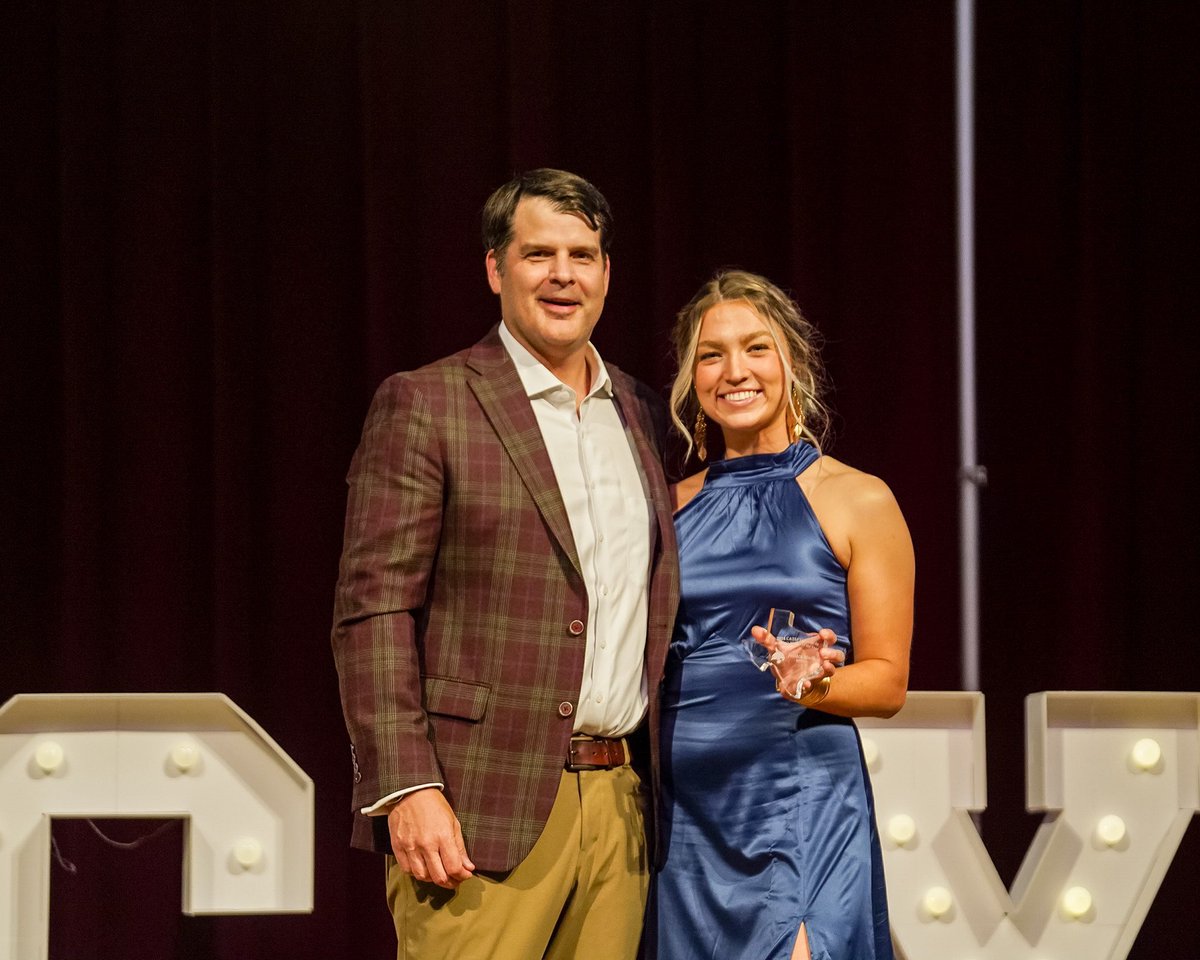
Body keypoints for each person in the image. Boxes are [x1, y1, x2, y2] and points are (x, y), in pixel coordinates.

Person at [331, 169, 679, 960]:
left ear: (607, 273)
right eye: (538, 254)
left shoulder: (642, 411)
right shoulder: (428, 402)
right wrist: (407, 786)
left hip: (621, 805)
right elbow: (373, 611)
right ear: (495, 268)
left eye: (583, 255)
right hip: (477, 808)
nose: (564, 275)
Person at [650, 270, 913, 960]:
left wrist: (813, 682)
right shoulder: (666, 507)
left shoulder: (858, 499)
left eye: (756, 348)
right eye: (712, 355)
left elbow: (886, 682)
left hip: (799, 799)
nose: (735, 371)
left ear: (791, 362)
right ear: (691, 378)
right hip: (684, 816)